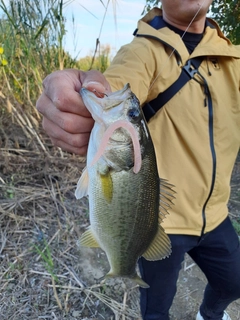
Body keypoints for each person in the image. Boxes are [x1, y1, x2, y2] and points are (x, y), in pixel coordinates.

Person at [36, 1, 240, 319]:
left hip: (216, 215)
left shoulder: (234, 60)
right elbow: (116, 84)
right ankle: (126, 269)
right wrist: (88, 92)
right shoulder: (143, 50)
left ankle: (210, 314)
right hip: (160, 222)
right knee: (156, 308)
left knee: (233, 283)